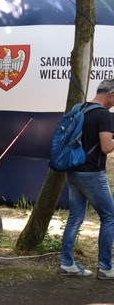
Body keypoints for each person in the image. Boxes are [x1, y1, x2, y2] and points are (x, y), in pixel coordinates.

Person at [58, 78, 114, 279]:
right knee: (110, 217)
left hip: (73, 170)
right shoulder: (103, 115)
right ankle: (106, 268)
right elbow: (106, 147)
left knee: (75, 218)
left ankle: (66, 263)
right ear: (112, 95)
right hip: (92, 173)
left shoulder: (80, 108)